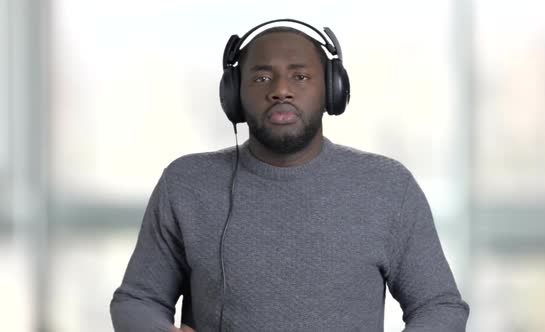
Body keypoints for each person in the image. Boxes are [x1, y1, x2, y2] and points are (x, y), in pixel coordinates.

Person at [110, 19, 470, 332]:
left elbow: (439, 306)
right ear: (234, 95)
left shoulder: (389, 187)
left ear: (332, 90)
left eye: (300, 76)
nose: (280, 90)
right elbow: (137, 300)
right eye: (262, 76)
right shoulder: (186, 184)